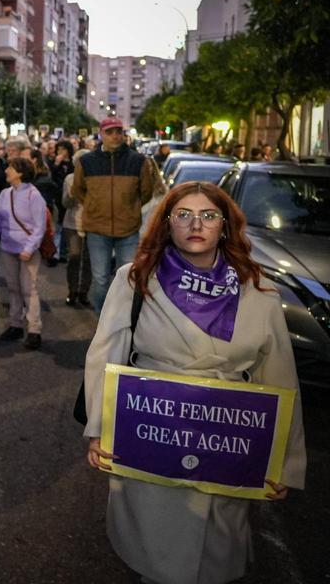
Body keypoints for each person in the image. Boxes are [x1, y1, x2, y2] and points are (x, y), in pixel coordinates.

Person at [83, 182, 305, 584]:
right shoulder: (136, 279)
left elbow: (280, 377)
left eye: (208, 215)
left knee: (214, 557)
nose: (195, 224)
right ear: (167, 225)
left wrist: (284, 462)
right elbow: (105, 354)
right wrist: (101, 430)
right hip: (152, 434)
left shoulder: (258, 291)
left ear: (226, 225)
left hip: (225, 444)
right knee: (154, 556)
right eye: (183, 215)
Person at [72, 117, 156, 314]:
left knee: (127, 278)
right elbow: (78, 190)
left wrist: (129, 207)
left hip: (128, 228)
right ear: (101, 134)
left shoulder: (137, 161)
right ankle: (103, 319)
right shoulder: (86, 161)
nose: (115, 136)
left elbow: (146, 192)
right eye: (110, 132)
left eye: (119, 131)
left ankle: (123, 318)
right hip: (97, 228)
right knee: (100, 279)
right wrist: (94, 206)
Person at [0, 157, 46, 349]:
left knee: (29, 290)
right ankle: (15, 324)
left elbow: (40, 226)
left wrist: (29, 249)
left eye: (10, 168)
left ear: (20, 173)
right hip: (7, 249)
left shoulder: (34, 195)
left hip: (26, 252)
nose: (6, 171)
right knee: (13, 288)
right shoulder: (5, 194)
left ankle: (34, 330)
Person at [61, 150, 93, 308]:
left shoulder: (95, 179)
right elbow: (65, 204)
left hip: (92, 223)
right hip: (73, 223)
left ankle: (83, 292)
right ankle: (72, 290)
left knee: (88, 260)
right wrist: (72, 194)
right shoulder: (69, 179)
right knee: (74, 256)